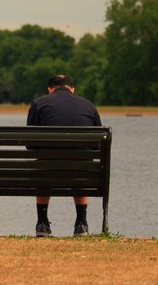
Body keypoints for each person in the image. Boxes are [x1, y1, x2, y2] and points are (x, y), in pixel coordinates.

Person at [27, 74, 102, 237]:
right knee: (82, 164)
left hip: (48, 169)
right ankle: (81, 223)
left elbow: (30, 143)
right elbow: (97, 143)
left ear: (50, 89)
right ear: (72, 89)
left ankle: (42, 223)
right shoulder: (88, 105)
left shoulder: (39, 103)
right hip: (81, 169)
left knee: (43, 166)